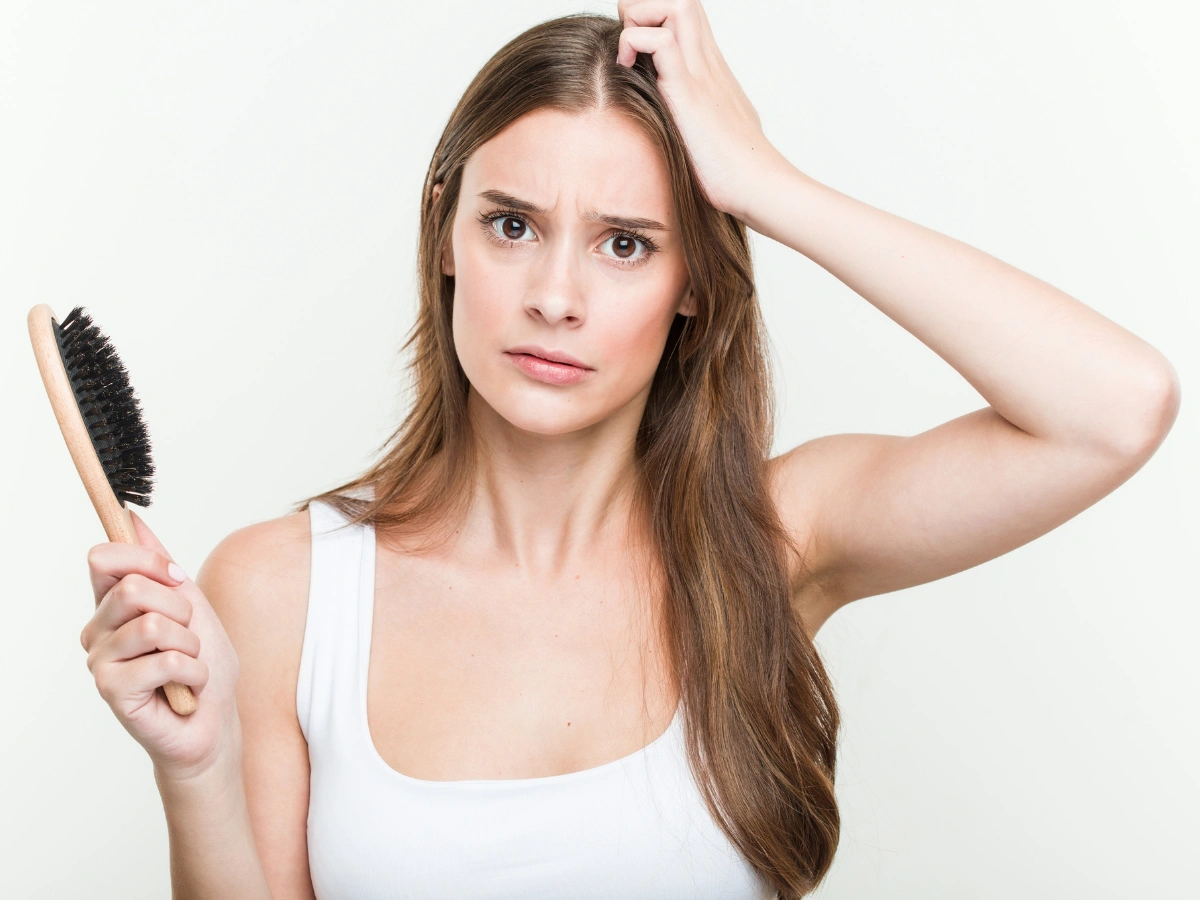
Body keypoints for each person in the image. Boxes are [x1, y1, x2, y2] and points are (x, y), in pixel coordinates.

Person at [78, 3, 1181, 899]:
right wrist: (202, 773)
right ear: (446, 233)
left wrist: (761, 182)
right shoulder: (282, 589)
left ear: (693, 280)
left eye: (626, 244)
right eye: (511, 225)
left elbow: (1115, 407)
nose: (555, 298)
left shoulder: (776, 542)